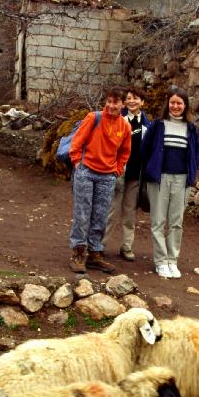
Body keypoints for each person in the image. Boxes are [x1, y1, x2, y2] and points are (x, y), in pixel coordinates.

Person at [141, 86, 199, 280]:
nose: (176, 106)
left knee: (176, 222)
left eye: (180, 103)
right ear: (167, 104)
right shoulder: (158, 125)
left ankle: (172, 260)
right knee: (158, 221)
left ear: (185, 106)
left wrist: (190, 173)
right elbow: (145, 149)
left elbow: (197, 154)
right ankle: (160, 262)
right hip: (160, 179)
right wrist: (153, 168)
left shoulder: (191, 129)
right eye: (172, 102)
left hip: (182, 179)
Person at [68, 87, 132, 274]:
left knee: (101, 215)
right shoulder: (93, 118)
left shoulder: (125, 126)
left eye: (116, 102)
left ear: (122, 104)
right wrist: (77, 162)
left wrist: (117, 170)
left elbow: (125, 152)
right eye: (109, 102)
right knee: (82, 213)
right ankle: (78, 253)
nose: (112, 106)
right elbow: (77, 142)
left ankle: (95, 253)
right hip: (86, 171)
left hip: (107, 176)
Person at [102, 87, 150, 261]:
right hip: (117, 172)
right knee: (111, 211)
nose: (132, 101)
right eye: (129, 98)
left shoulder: (147, 125)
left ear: (142, 102)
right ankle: (100, 245)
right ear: (124, 101)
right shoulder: (118, 120)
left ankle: (127, 247)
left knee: (129, 213)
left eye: (136, 98)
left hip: (135, 174)